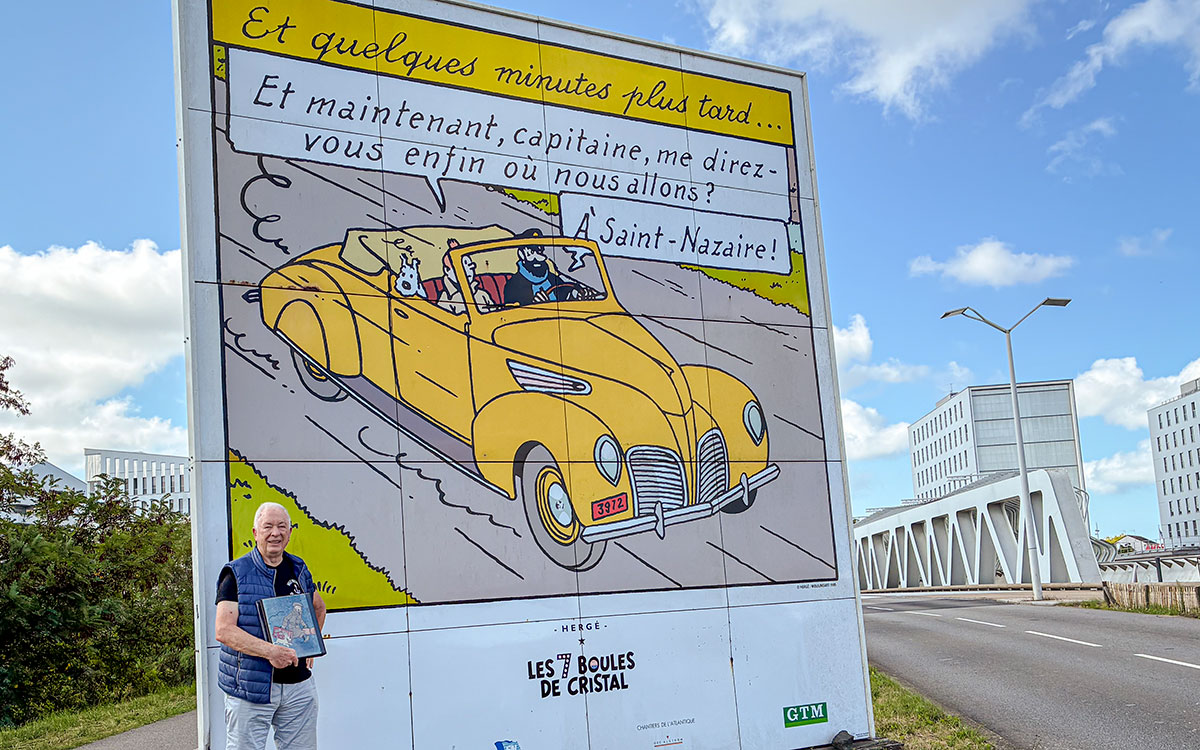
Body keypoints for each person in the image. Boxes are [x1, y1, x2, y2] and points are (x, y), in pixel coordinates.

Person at [215, 502, 326, 750]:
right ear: (255, 533)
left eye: (282, 526)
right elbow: (224, 630)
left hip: (298, 687)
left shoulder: (298, 568)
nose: (275, 533)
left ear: (289, 533)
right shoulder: (235, 573)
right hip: (250, 689)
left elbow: (318, 607)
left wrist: (310, 648)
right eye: (268, 526)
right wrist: (270, 652)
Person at [504, 228, 600, 307]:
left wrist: (578, 295)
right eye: (531, 252)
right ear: (521, 254)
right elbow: (513, 315)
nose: (537, 258)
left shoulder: (551, 278)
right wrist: (538, 306)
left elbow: (565, 293)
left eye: (539, 251)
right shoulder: (513, 285)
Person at [437, 239, 494, 314]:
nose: (468, 270)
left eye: (469, 265)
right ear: (447, 271)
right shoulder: (445, 299)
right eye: (461, 266)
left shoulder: (482, 294)